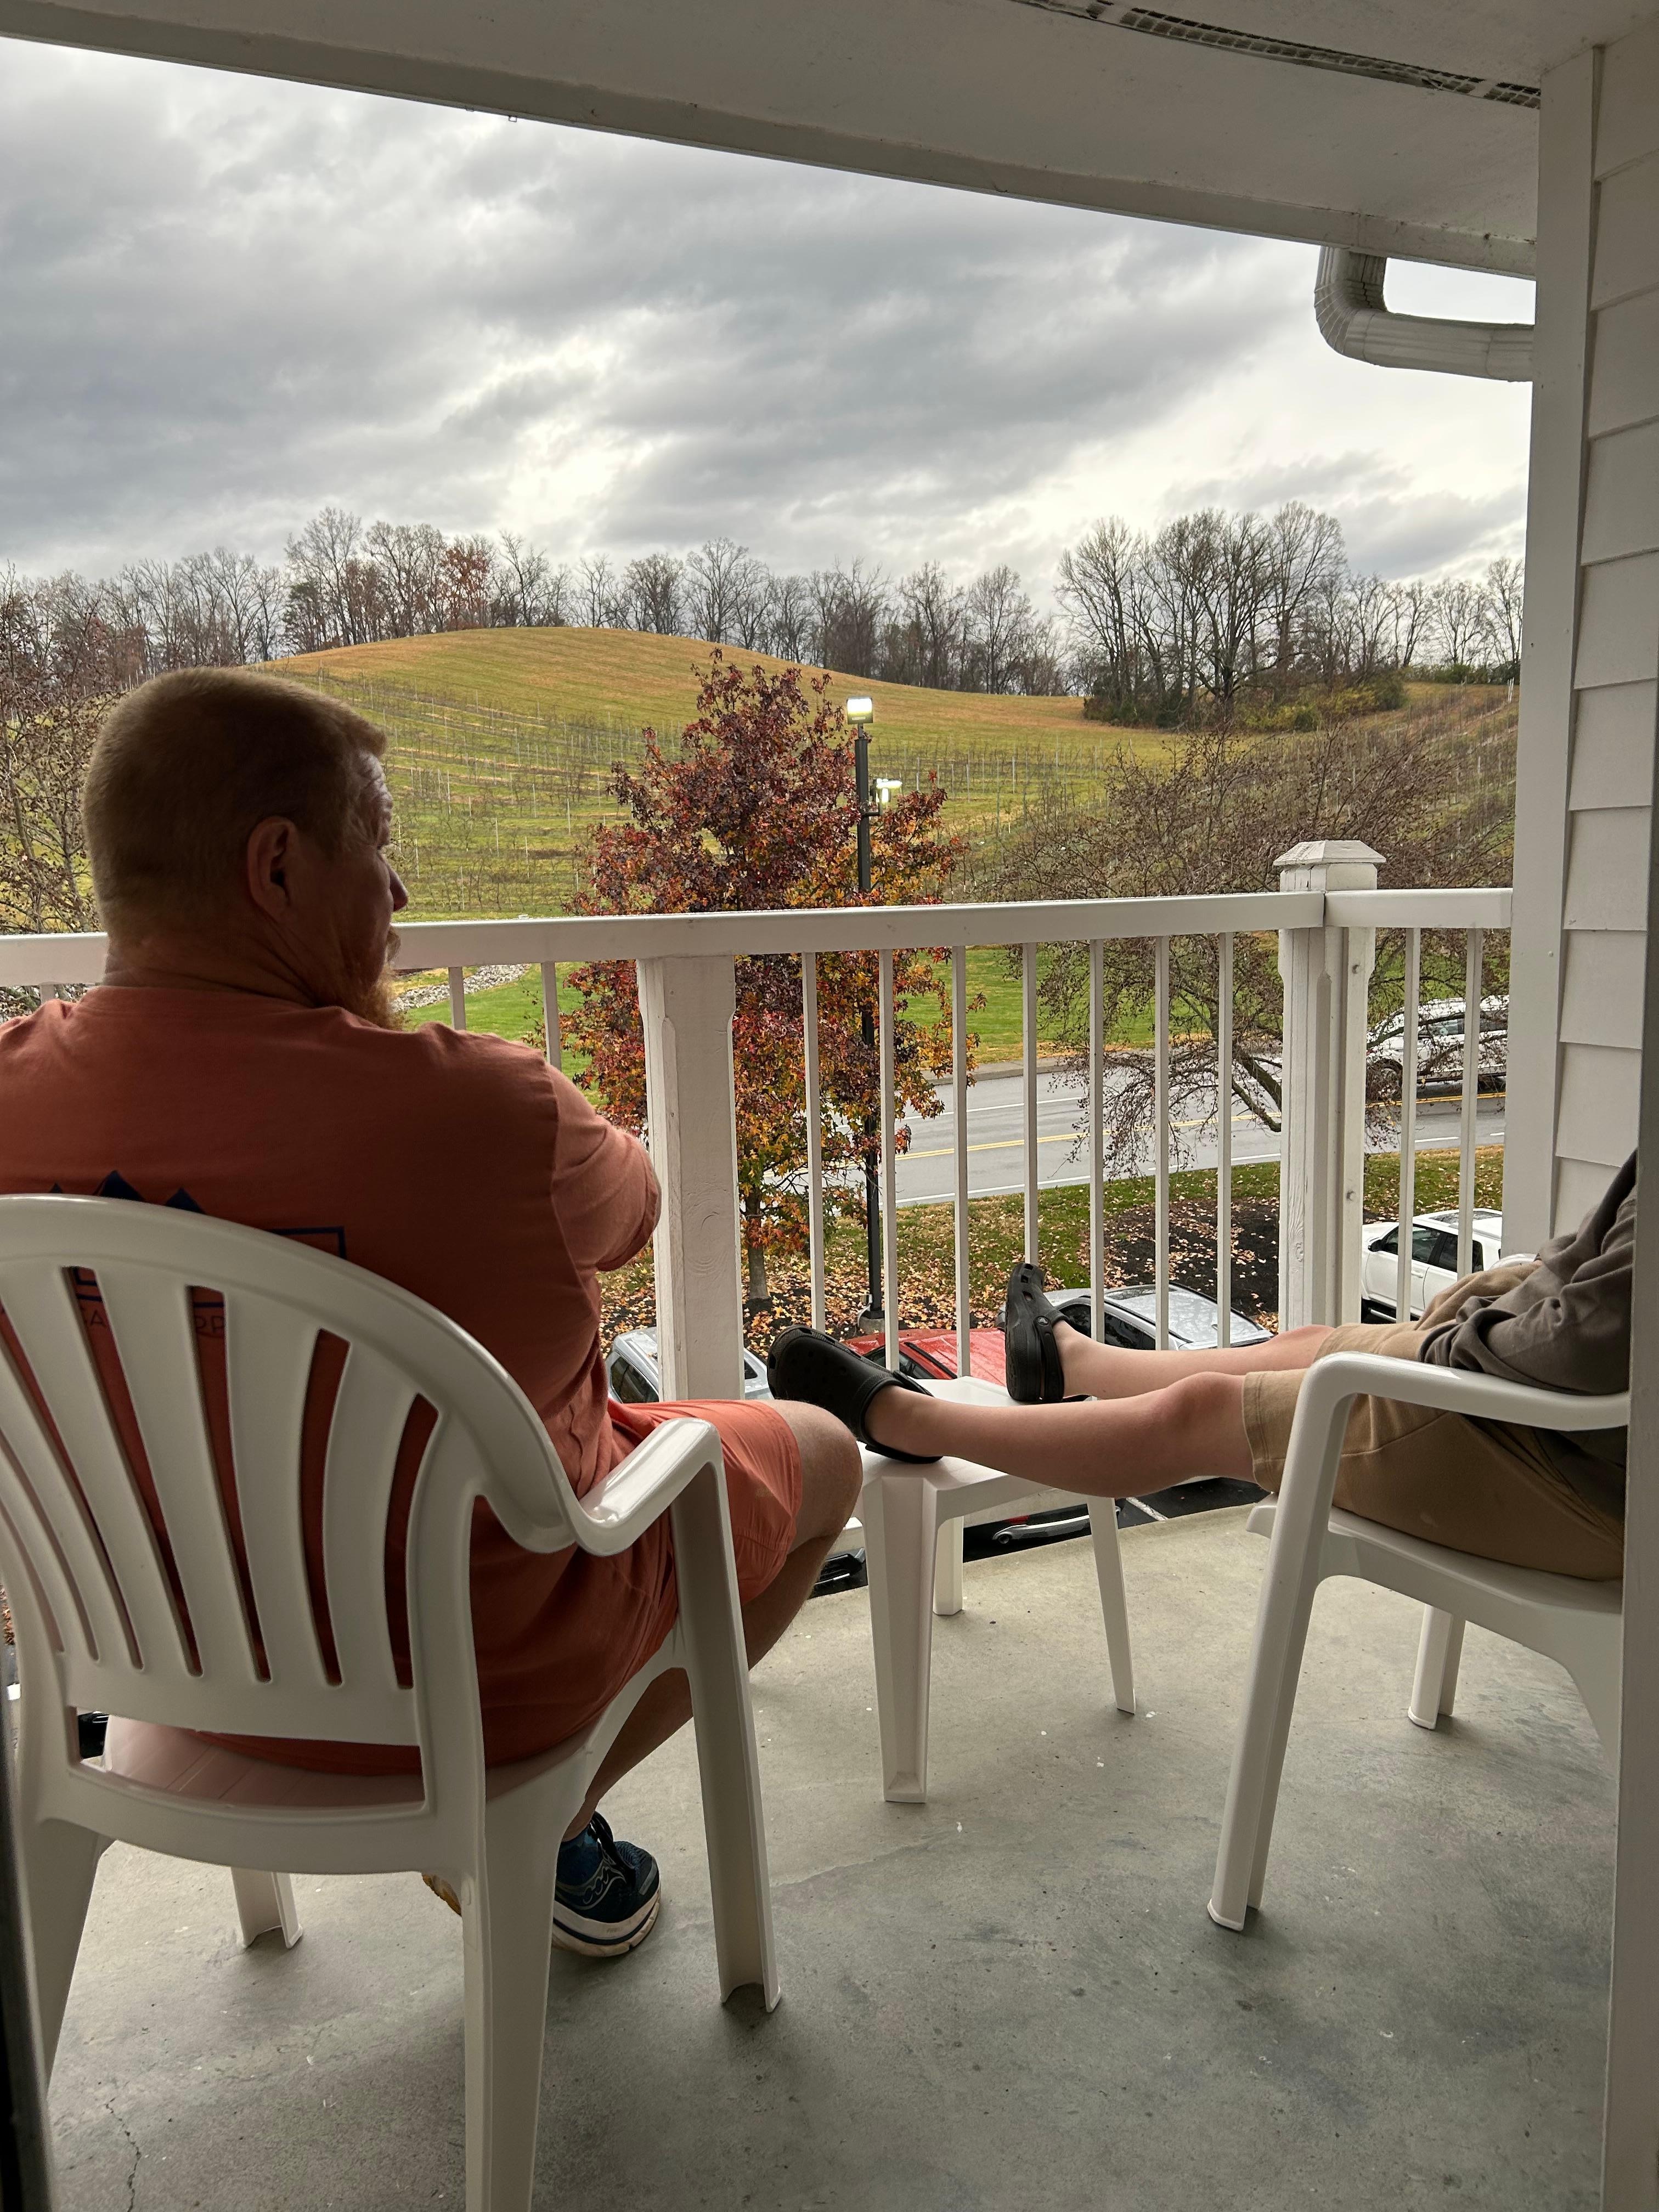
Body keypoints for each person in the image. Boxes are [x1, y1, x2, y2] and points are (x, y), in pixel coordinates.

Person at [0, 668, 860, 1960]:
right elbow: (632, 1216)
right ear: (277, 869)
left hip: (149, 1657)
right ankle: (552, 1822)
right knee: (825, 1456)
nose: (399, 896)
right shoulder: (487, 1110)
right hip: (476, 1687)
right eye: (380, 847)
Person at [770, 1157, 1634, 1584]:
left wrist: (1471, 1320)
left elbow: (1575, 1351)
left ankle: (905, 1421)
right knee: (1314, 1341)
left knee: (1201, 1415)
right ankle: (1073, 1360)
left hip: (1564, 1458)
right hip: (1563, 1421)